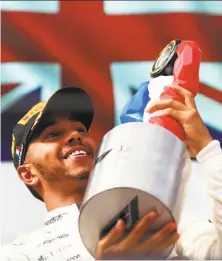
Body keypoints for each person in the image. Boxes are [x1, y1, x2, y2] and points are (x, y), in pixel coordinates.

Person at [0, 86, 179, 261]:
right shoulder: (19, 254)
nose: (75, 136)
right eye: (53, 134)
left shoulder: (157, 216)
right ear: (28, 174)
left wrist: (202, 145)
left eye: (81, 130)